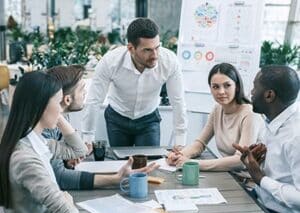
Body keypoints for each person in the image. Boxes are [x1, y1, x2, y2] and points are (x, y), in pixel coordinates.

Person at [45, 65, 159, 190]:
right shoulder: (46, 128)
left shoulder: (61, 118)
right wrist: (116, 179)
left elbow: (57, 161)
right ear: (67, 99)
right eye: (82, 89)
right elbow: (60, 178)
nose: (85, 92)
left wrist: (66, 161)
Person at [82, 17, 187, 147]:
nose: (155, 55)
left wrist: (180, 141)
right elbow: (94, 100)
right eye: (147, 50)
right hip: (117, 118)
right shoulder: (110, 62)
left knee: (149, 163)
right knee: (120, 164)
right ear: (131, 48)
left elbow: (178, 101)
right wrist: (87, 137)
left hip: (148, 119)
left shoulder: (169, 61)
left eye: (157, 47)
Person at [0, 71, 80, 213]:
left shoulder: (37, 142)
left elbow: (78, 151)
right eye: (58, 102)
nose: (61, 109)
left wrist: (56, 116)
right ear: (41, 106)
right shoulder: (25, 158)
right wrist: (66, 200)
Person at [233, 65, 300, 213]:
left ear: (269, 95)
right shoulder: (273, 118)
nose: (251, 93)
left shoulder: (296, 136)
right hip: (260, 200)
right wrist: (255, 163)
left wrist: (261, 178)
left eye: (255, 88)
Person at [167, 63, 263, 171]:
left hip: (249, 180)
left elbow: (240, 161)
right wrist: (179, 155)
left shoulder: (250, 114)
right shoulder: (217, 110)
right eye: (215, 87)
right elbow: (200, 143)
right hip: (230, 175)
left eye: (227, 85)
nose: (221, 92)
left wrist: (193, 164)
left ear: (237, 87)